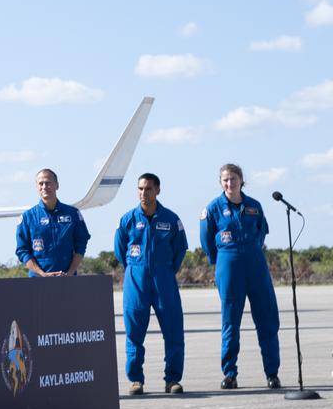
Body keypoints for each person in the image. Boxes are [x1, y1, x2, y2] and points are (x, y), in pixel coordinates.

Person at [200, 163, 281, 390]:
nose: (229, 183)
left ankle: (272, 373)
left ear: (241, 180)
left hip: (255, 266)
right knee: (230, 323)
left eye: (233, 179)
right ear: (221, 182)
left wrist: (250, 252)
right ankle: (230, 373)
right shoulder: (213, 208)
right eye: (225, 180)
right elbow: (207, 242)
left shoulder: (254, 206)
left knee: (267, 320)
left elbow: (261, 232)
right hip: (229, 266)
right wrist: (225, 260)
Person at [115, 173, 188, 395]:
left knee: (173, 330)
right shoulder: (127, 220)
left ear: (157, 190)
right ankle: (136, 380)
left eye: (148, 189)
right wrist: (136, 267)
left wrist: (165, 269)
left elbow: (180, 249)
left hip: (164, 279)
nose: (143, 193)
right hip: (136, 280)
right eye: (140, 189)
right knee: (134, 332)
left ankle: (172, 379)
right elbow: (120, 251)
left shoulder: (171, 219)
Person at [15, 168, 90, 277]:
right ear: (37, 187)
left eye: (48, 183)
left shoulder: (73, 214)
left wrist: (69, 273)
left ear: (57, 185)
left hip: (67, 280)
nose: (44, 187)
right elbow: (22, 250)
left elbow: (81, 243)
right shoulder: (28, 217)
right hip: (38, 282)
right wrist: (42, 274)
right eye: (41, 183)